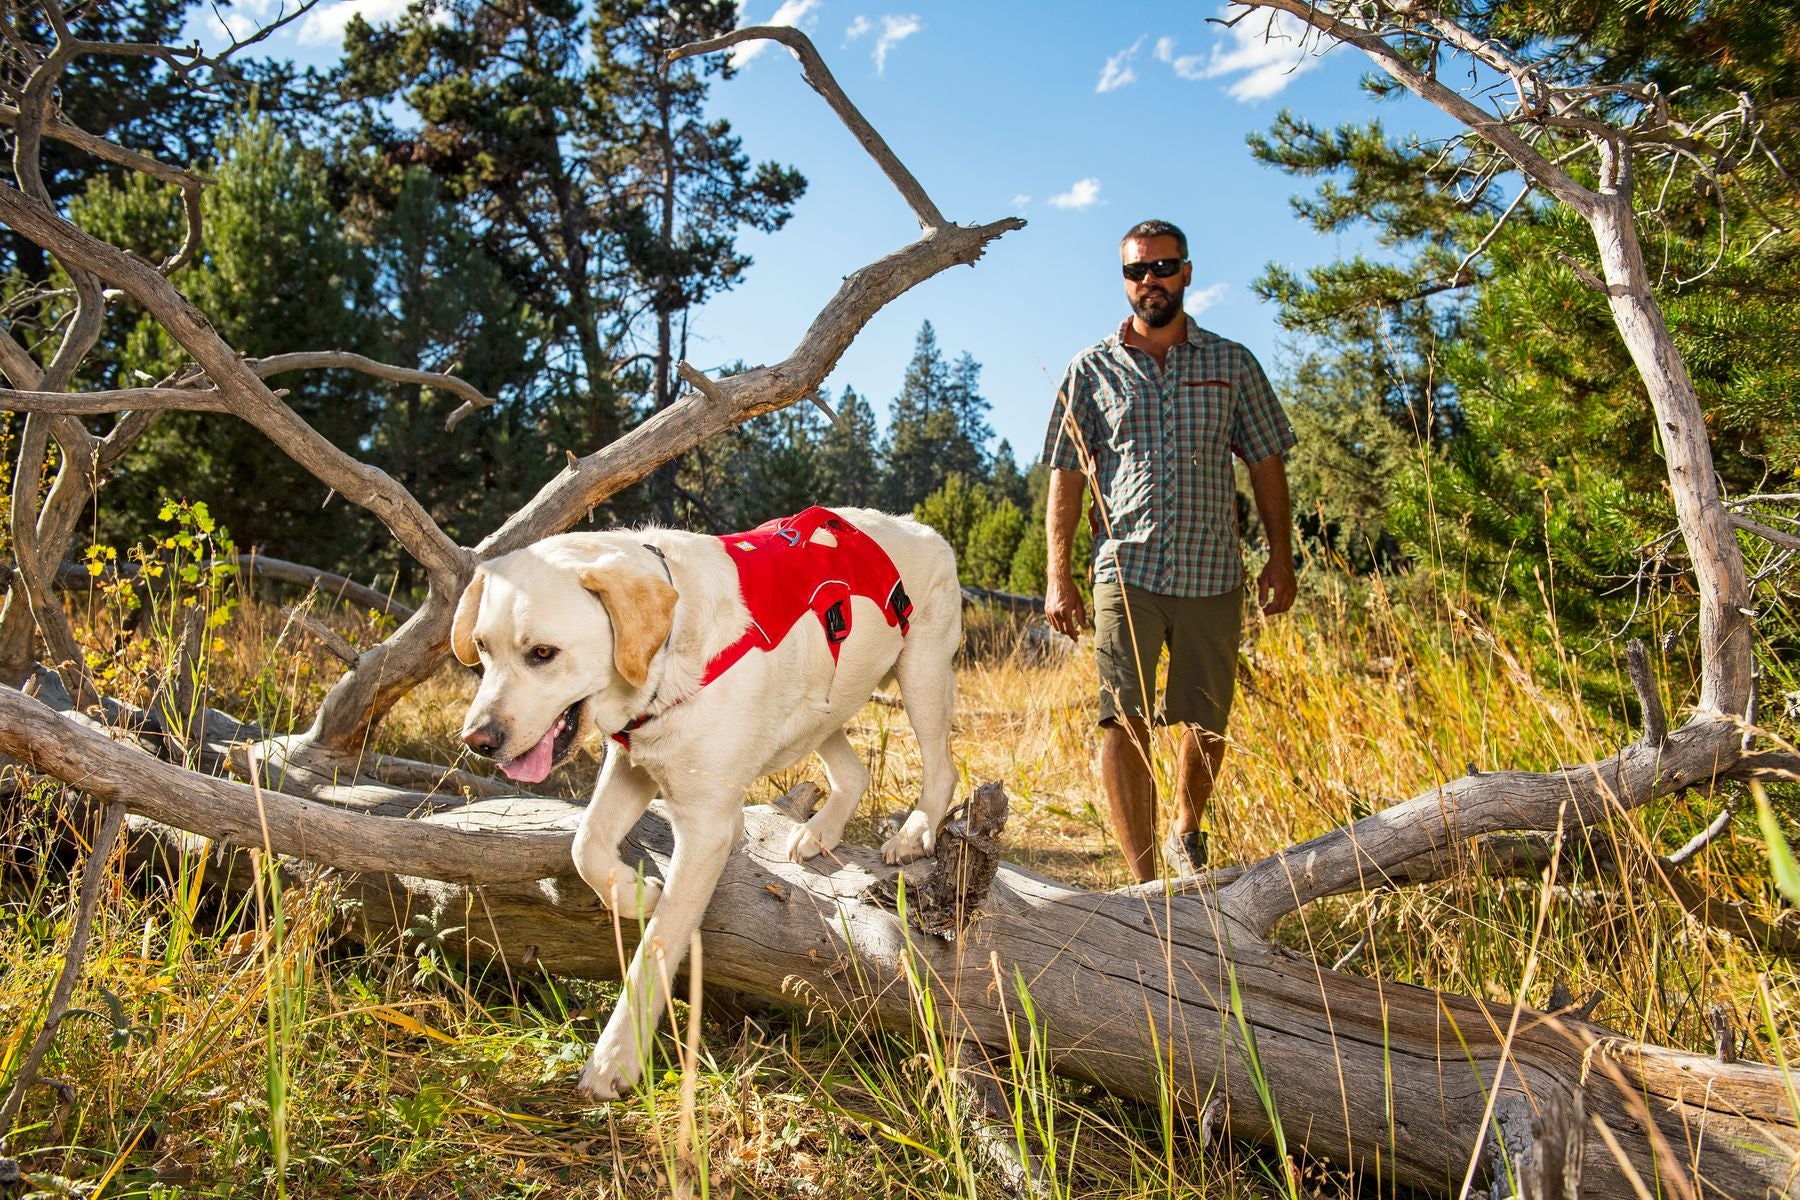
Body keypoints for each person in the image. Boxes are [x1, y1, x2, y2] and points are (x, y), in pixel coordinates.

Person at [1041, 218, 1297, 882]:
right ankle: (1146, 880)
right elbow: (1066, 473)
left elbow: (1267, 461)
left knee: (1205, 719)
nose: (1148, 281)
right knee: (1120, 716)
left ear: (1187, 272)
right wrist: (1057, 576)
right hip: (1126, 568)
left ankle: (1188, 832)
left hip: (1214, 568)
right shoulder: (1090, 368)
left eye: (1161, 267)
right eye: (1135, 270)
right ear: (1124, 281)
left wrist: (1281, 555)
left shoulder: (1231, 363)